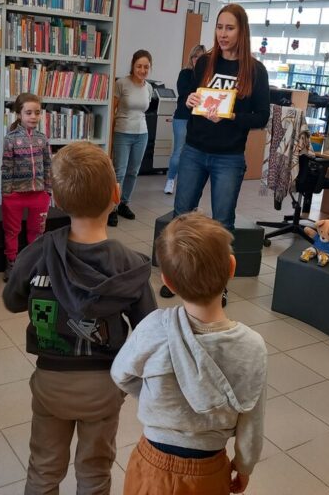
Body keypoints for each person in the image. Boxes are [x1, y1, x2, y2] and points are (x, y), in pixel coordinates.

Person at [3, 141, 156, 495]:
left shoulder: (36, 253)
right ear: (116, 194)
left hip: (50, 383)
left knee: (43, 468)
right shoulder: (130, 265)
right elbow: (148, 330)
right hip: (104, 387)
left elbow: (12, 300)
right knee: (95, 471)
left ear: (55, 199)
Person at [111, 212, 267, 495]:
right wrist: (244, 466)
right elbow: (251, 420)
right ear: (232, 267)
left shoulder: (153, 328)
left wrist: (151, 394)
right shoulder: (252, 345)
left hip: (151, 464)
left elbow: (120, 373)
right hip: (209, 469)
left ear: (168, 282)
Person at [162, 4, 269, 299]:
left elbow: (262, 117)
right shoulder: (205, 63)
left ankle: (217, 284)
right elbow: (189, 98)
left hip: (229, 157)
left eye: (229, 28)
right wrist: (190, 99)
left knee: (223, 223)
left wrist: (231, 115)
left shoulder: (255, 71)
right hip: (195, 150)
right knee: (182, 215)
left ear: (242, 31)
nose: (222, 34)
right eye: (219, 27)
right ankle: (176, 277)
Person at [1, 93, 52, 282]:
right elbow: (6, 166)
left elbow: (48, 165)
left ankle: (34, 263)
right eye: (28, 112)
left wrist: (48, 191)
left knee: (37, 231)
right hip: (14, 195)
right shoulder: (11, 139)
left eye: (37, 113)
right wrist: (6, 192)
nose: (33, 117)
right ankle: (12, 262)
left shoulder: (42, 139)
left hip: (39, 194)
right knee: (12, 230)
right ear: (19, 114)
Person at [109, 49, 154, 227]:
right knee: (119, 172)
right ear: (133, 66)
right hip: (122, 132)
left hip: (142, 133)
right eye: (139, 66)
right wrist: (111, 135)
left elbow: (144, 110)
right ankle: (112, 207)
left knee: (133, 172)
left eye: (146, 67)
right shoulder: (122, 83)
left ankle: (124, 204)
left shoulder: (149, 87)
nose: (142, 70)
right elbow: (113, 111)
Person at [164, 44, 206, 195]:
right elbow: (185, 92)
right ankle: (170, 180)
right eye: (195, 57)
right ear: (191, 58)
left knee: (193, 152)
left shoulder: (207, 76)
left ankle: (186, 183)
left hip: (199, 119)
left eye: (201, 57)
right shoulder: (185, 73)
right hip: (182, 117)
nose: (197, 60)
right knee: (179, 150)